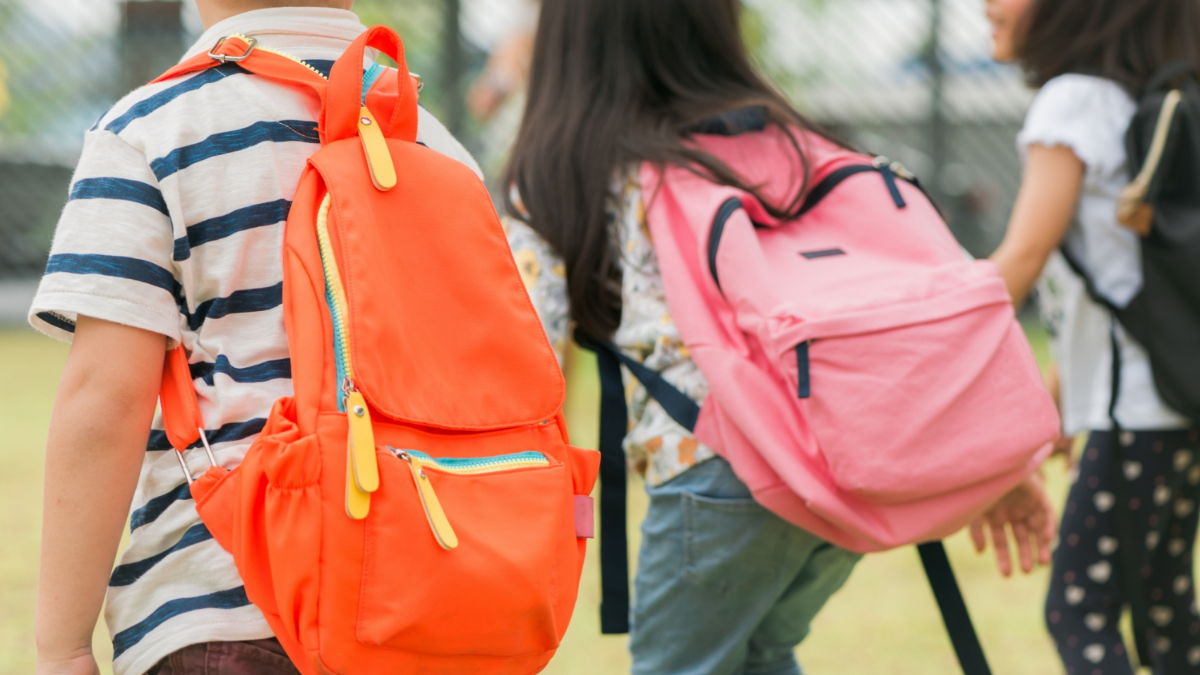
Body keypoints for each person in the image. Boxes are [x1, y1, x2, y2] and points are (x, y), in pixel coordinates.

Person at [504, 1, 1055, 672]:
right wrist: (983, 458)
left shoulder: (567, 169)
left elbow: (522, 345)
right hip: (832, 465)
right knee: (765, 652)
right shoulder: (794, 141)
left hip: (713, 471)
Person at [29, 2, 480, 674]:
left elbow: (106, 399)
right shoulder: (438, 148)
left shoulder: (151, 132)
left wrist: (61, 645)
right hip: (422, 606)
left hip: (219, 602)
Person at [984, 0, 1200, 671]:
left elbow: (1021, 259)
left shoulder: (1073, 101)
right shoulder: (1149, 96)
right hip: (1173, 407)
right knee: (1163, 609)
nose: (986, 4)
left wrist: (923, 346)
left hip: (1129, 415)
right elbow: (1115, 287)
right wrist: (1055, 401)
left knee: (1079, 610)